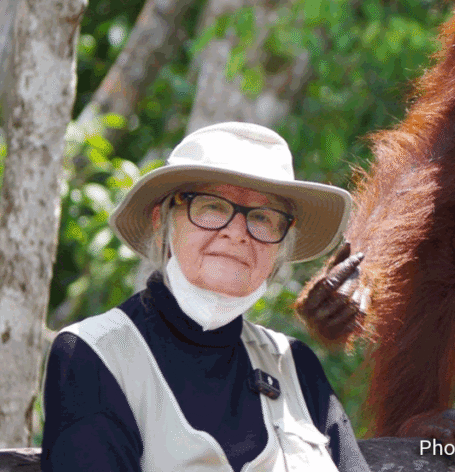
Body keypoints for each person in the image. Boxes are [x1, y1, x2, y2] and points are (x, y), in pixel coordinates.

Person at [41, 122, 369, 472]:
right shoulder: (96, 355)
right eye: (212, 206)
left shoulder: (296, 366)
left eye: (262, 217)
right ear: (162, 221)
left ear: (281, 246)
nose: (236, 232)